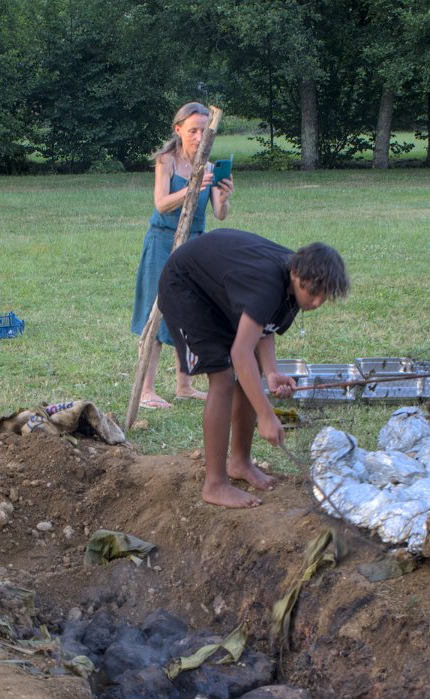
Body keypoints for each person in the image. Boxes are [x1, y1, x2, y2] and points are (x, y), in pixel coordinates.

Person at [156, 229, 347, 509]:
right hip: (185, 286)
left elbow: (263, 328)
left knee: (252, 370)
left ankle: (240, 462)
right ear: (296, 273)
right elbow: (240, 352)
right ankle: (215, 485)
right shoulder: (267, 283)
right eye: (314, 293)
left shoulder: (295, 284)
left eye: (324, 295)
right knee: (223, 377)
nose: (317, 302)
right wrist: (266, 415)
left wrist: (271, 371)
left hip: (215, 290)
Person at [132, 102, 233, 409]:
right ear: (178, 130)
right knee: (156, 311)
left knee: (190, 313)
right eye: (193, 131)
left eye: (204, 131)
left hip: (195, 246)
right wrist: (192, 186)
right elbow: (161, 204)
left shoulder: (210, 167)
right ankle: (146, 391)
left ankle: (184, 386)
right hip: (162, 241)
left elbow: (220, 214)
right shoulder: (167, 161)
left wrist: (224, 196)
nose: (199, 137)